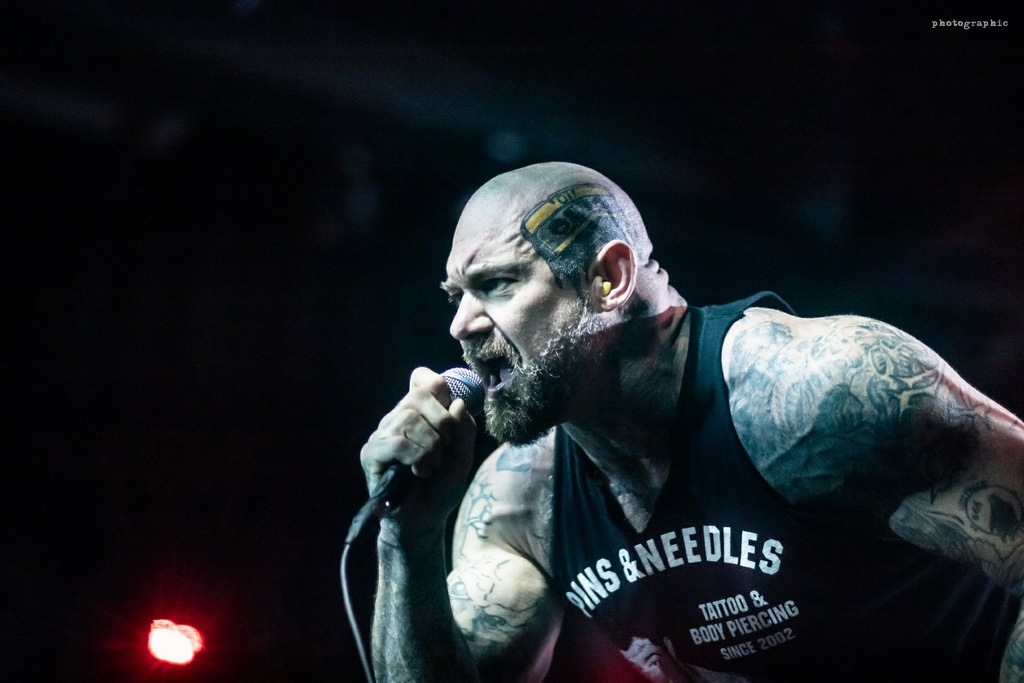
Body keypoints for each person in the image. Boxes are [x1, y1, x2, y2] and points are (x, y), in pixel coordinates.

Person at [358, 162, 1024, 681]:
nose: (461, 325)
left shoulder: (818, 390)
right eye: (456, 295)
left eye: (497, 284)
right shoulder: (519, 501)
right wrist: (407, 536)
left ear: (609, 278)